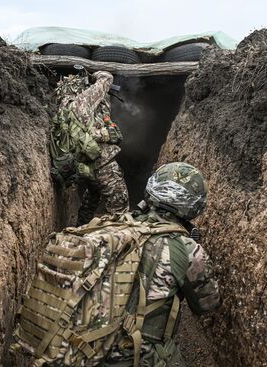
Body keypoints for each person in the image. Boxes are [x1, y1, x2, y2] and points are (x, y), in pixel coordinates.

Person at [103, 162, 221, 367]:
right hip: (135, 355)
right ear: (193, 206)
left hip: (89, 345)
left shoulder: (115, 225)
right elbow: (207, 304)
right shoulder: (188, 250)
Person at [55, 69, 129, 224]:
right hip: (102, 162)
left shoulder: (63, 109)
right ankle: (116, 239)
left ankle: (81, 228)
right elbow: (106, 78)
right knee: (119, 203)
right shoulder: (82, 102)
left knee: (93, 193)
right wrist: (96, 75)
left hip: (83, 165)